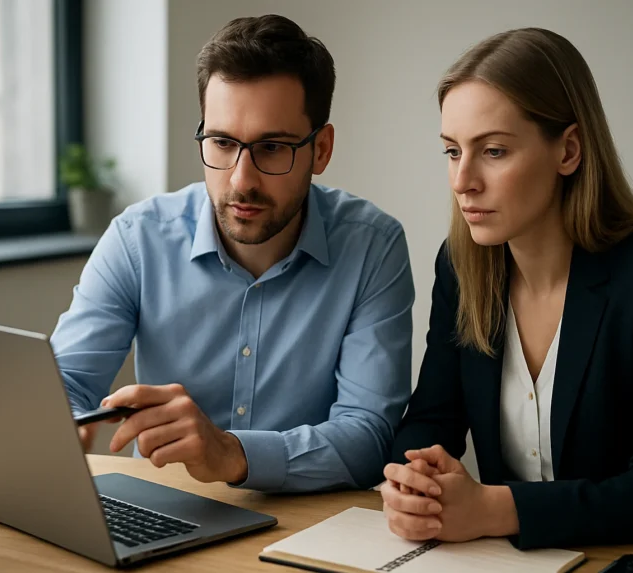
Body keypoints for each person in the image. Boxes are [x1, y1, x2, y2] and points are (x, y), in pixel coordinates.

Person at [380, 28, 633, 550]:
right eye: (451, 151)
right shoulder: (461, 266)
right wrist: (414, 479)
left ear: (569, 151)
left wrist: (496, 508)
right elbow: (431, 418)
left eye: (492, 151)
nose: (462, 179)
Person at [50, 14, 415, 493]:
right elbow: (66, 383)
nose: (241, 179)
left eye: (271, 148)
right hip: (161, 509)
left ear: (320, 150)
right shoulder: (138, 239)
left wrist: (231, 454)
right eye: (222, 143)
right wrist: (58, 421)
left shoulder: (373, 246)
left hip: (302, 527)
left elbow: (368, 437)